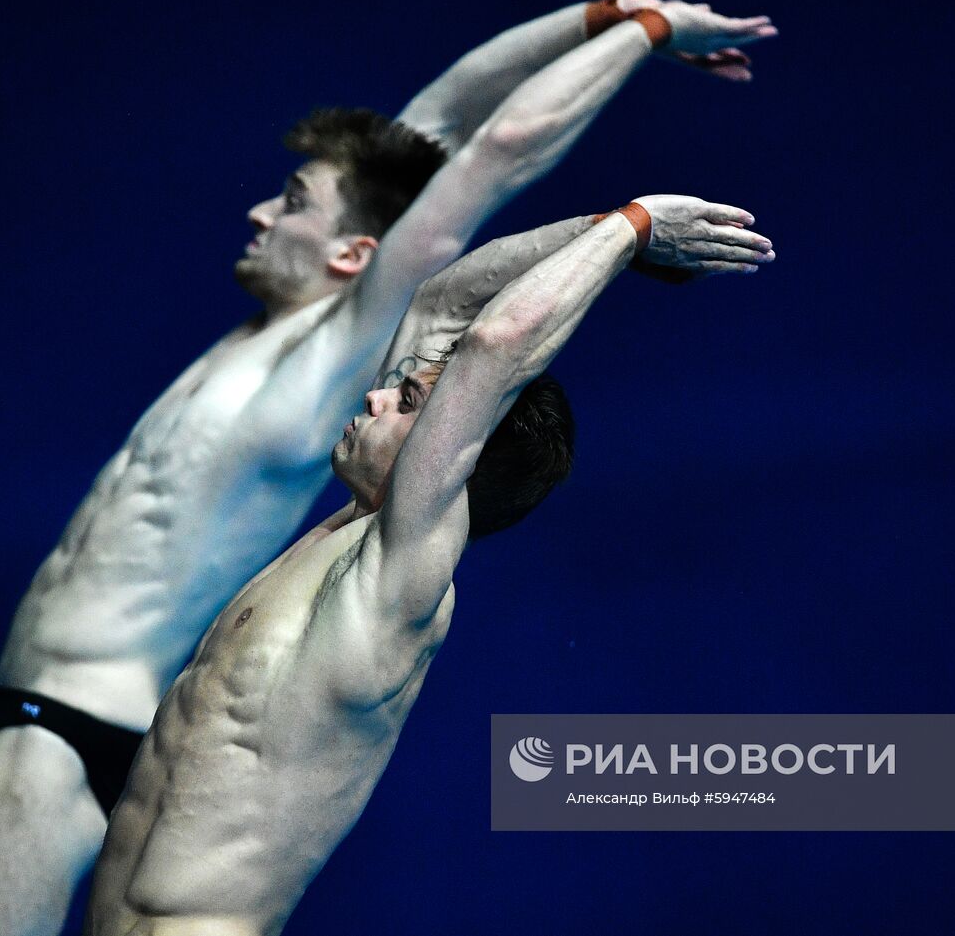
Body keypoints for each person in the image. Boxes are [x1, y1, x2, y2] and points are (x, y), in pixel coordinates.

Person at [0, 0, 778, 936]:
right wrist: (614, 12)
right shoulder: (330, 445)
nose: (263, 207)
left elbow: (495, 189)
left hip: (69, 735)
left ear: (357, 251)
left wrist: (635, 187)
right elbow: (442, 130)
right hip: (51, 752)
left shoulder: (394, 514)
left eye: (296, 199)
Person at [84, 192, 775, 936]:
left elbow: (495, 343)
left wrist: (635, 223)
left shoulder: (395, 578)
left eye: (409, 398)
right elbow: (445, 300)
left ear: (448, 454)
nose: (378, 395)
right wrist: (613, 238)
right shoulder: (349, 532)